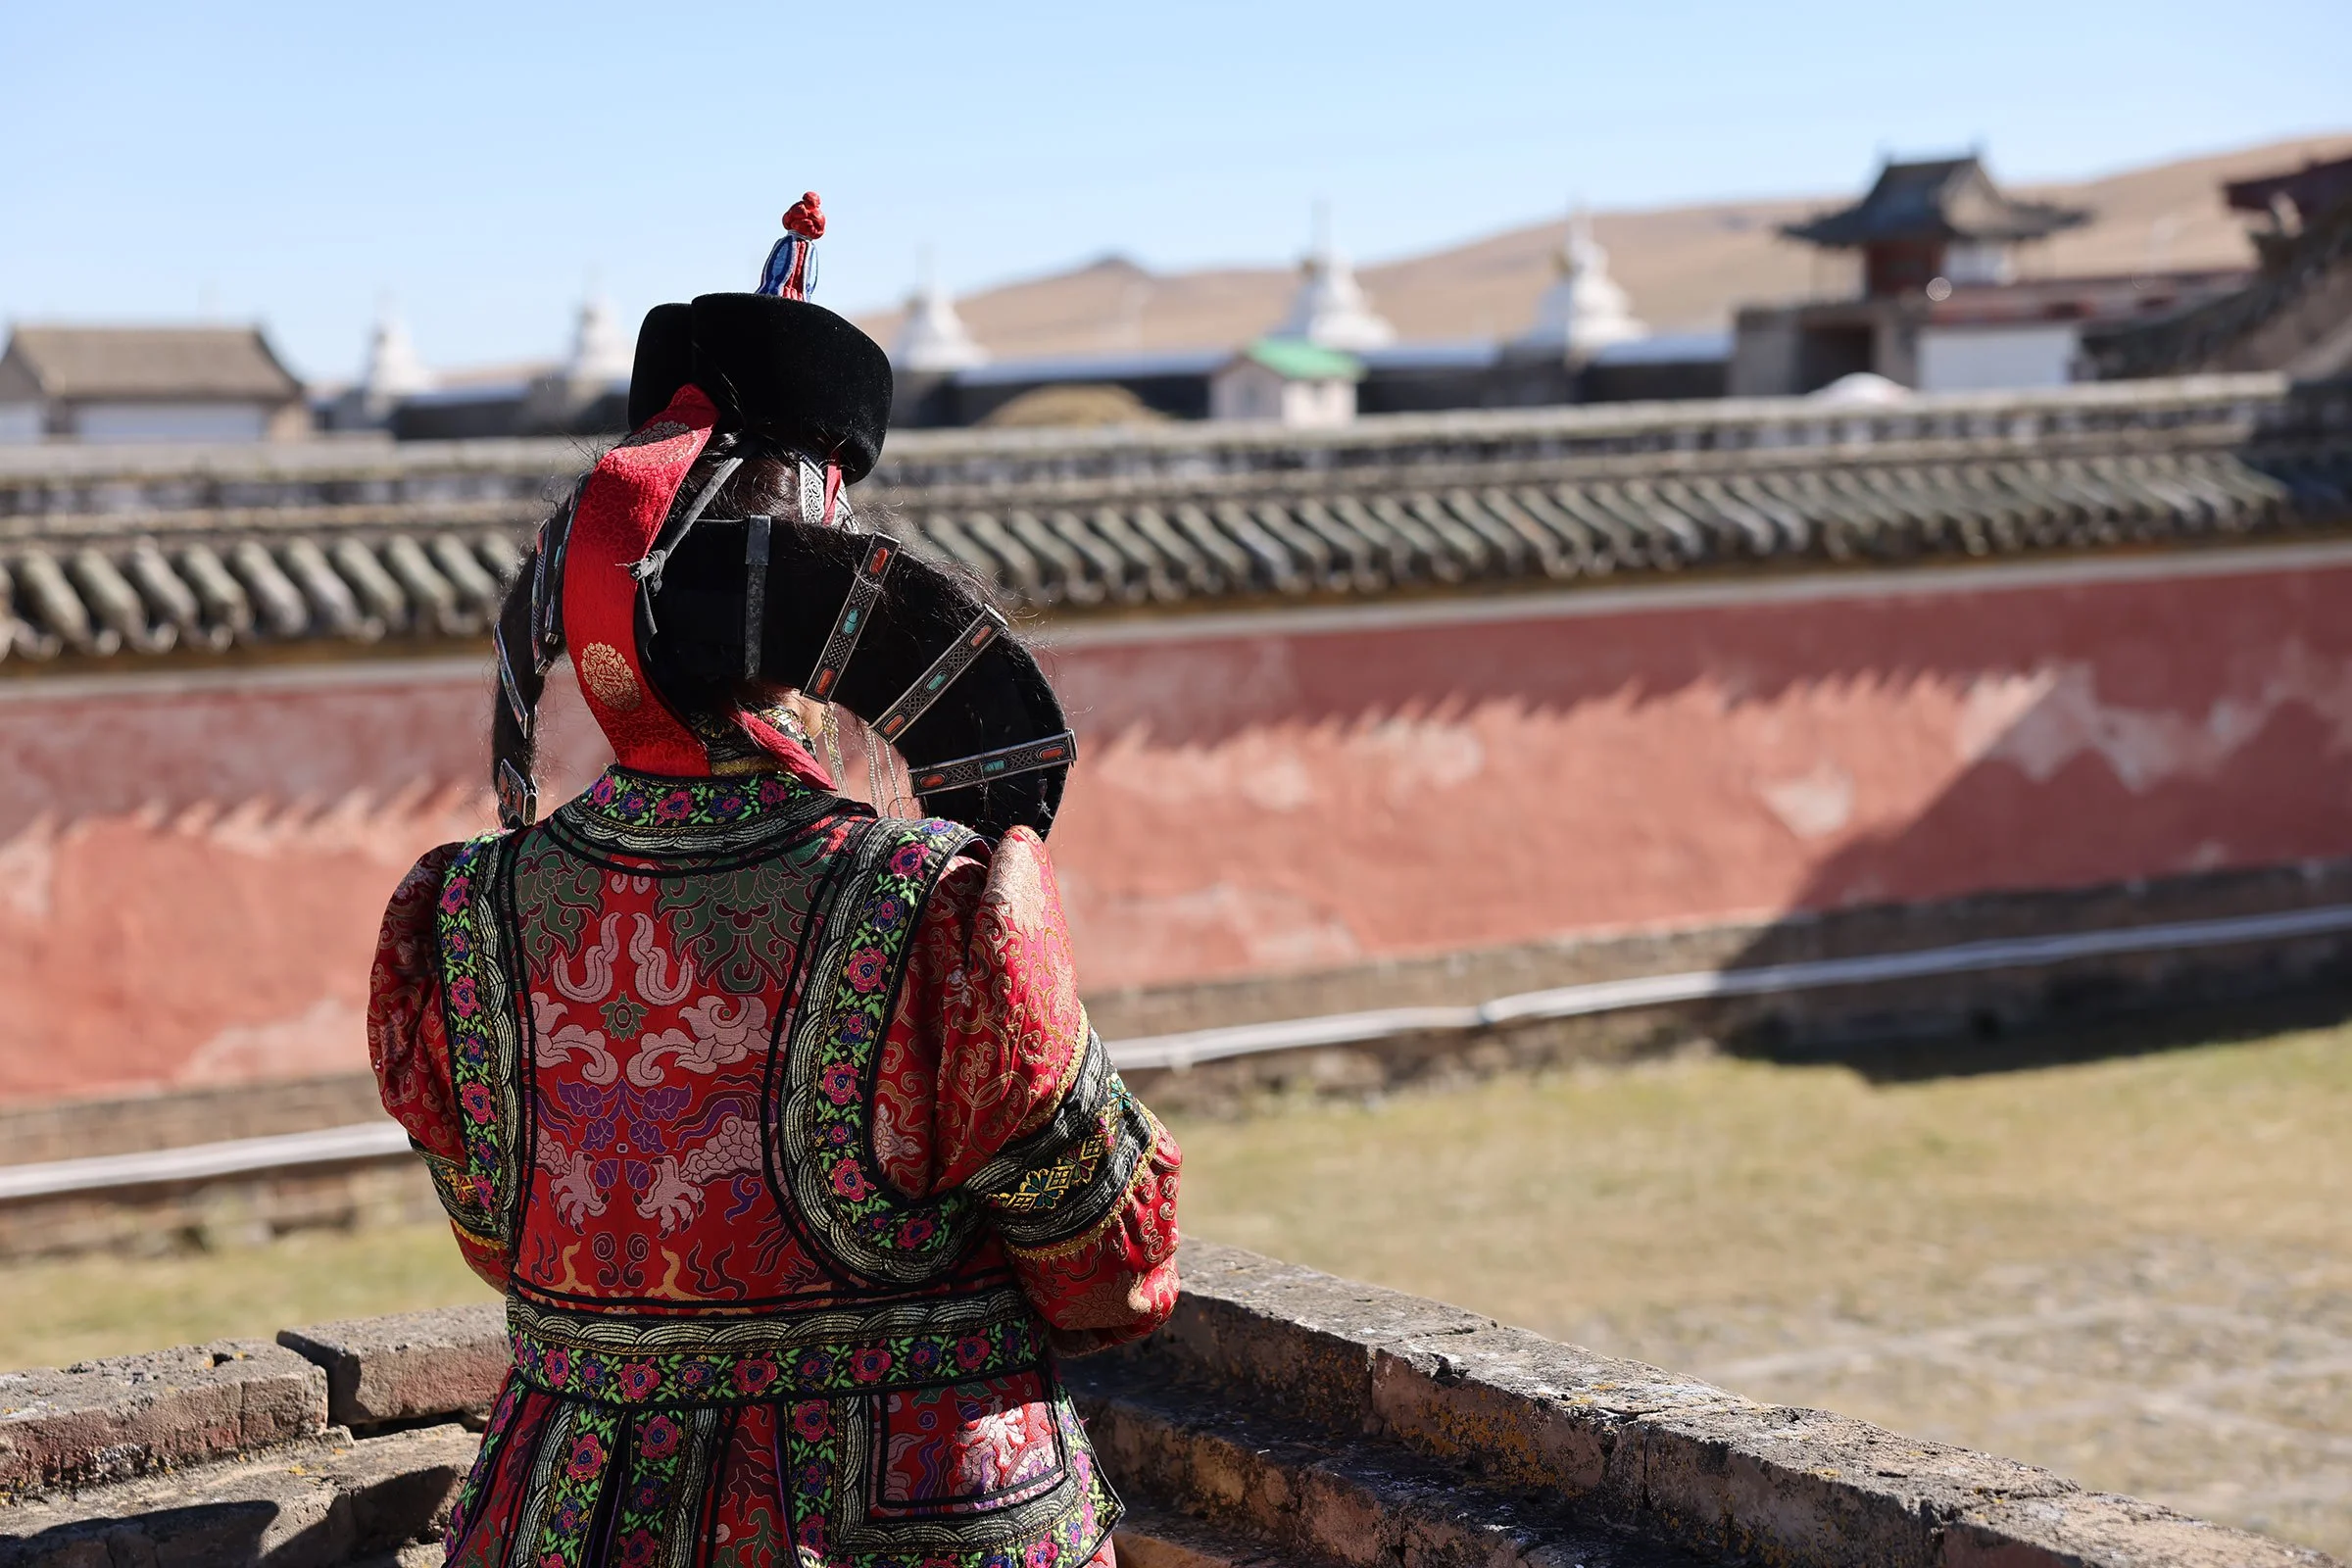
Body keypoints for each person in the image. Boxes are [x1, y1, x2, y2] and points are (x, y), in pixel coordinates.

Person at [367, 195, 1182, 1568]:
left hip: (565, 1520)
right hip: (899, 1520)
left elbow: (496, 1247)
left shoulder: (462, 916)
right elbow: (1112, 1266)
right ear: (828, 598)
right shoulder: (936, 907)